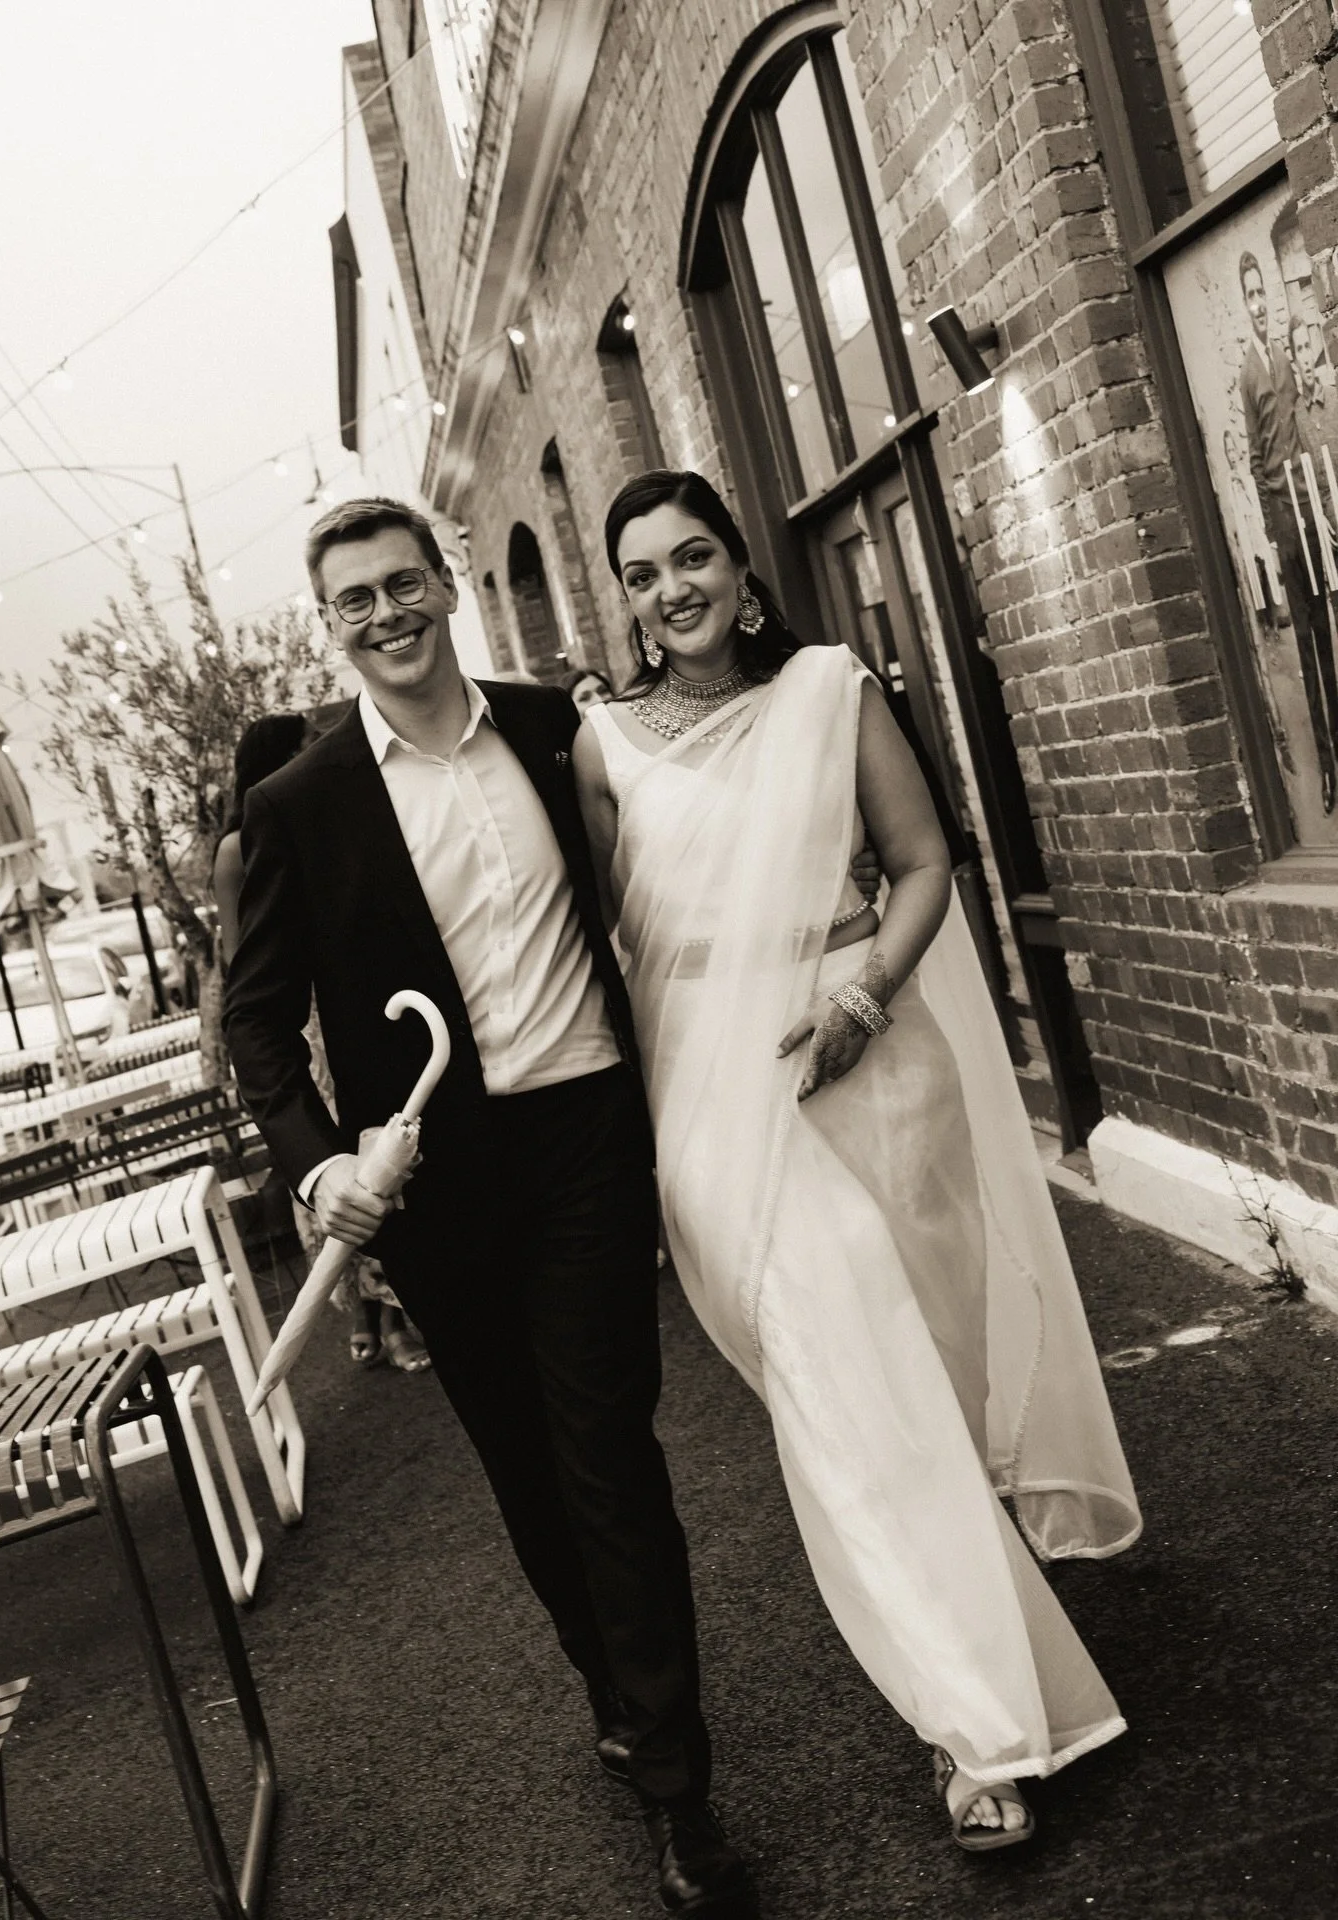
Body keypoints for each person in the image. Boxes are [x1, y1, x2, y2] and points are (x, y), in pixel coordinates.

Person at [574, 469, 1142, 1853]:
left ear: (740, 564)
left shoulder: (830, 690)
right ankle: (977, 1733)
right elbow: (620, 949)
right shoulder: (605, 748)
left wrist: (860, 999)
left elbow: (925, 860)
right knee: (846, 1410)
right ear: (628, 600)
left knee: (929, 1384)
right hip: (726, 1113)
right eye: (643, 574)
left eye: (694, 555)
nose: (673, 589)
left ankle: (979, 1579)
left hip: (876, 1060)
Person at [224, 496, 757, 1918]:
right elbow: (258, 1025)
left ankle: (679, 1790)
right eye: (356, 601)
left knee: (605, 1450)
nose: (388, 615)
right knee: (529, 1474)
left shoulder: (553, 730)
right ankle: (617, 1687)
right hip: (434, 1184)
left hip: (586, 1134)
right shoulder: (298, 806)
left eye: (407, 584)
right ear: (328, 626)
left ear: (448, 588)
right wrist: (319, 1161)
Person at [215, 714, 430, 1376]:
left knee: (381, 1161)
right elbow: (242, 963)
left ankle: (395, 1309)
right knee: (333, 1169)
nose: (314, 756)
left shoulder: (325, 814)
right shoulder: (236, 849)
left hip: (350, 1004)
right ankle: (364, 1310)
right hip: (299, 1017)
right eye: (301, 747)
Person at [1239, 251, 1338, 813]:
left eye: (1262, 295)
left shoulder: (1286, 356)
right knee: (1305, 641)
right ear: (1243, 302)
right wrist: (1273, 534)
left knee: (1330, 639)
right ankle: (1326, 770)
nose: (1258, 306)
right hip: (1284, 519)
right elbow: (1256, 460)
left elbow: (1310, 424)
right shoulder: (1249, 374)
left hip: (1315, 513)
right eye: (1249, 296)